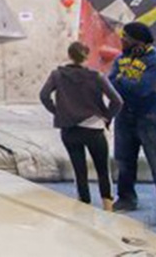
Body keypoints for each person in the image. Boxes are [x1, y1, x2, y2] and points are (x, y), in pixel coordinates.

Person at [109, 22, 156, 228]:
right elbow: (109, 82)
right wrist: (122, 82)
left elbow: (143, 89)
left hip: (150, 118)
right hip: (124, 116)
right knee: (123, 161)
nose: (122, 41)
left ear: (138, 43)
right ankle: (126, 198)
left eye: (126, 38)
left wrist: (121, 80)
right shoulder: (121, 57)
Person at [40, 42, 123, 211]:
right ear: (87, 55)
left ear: (69, 55)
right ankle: (108, 205)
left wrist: (58, 112)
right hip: (94, 128)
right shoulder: (97, 76)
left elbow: (44, 96)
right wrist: (107, 116)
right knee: (102, 169)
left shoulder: (57, 75)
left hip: (69, 128)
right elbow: (117, 101)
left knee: (79, 170)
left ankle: (84, 204)